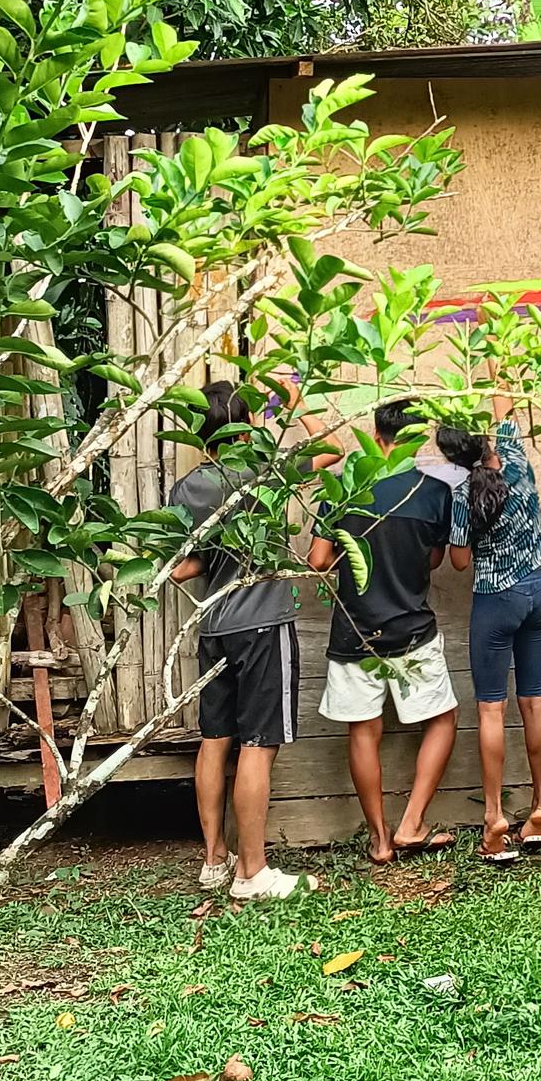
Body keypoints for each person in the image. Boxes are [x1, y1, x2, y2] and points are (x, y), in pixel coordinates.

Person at [171, 377, 336, 902]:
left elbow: (181, 569)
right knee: (259, 747)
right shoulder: (262, 469)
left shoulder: (188, 488)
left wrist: (218, 558)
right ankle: (253, 873)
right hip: (263, 623)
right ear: (246, 427)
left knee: (215, 742)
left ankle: (214, 861)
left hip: (215, 625)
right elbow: (331, 449)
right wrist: (294, 402)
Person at [306, 399, 461, 866]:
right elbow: (434, 560)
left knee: (363, 732)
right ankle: (413, 821)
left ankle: (379, 840)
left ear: (377, 438)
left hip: (354, 631)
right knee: (443, 719)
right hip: (413, 630)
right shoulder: (435, 494)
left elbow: (317, 562)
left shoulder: (345, 488)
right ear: (418, 441)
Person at [439, 389, 541, 864]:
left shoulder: (461, 494)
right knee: (536, 698)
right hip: (539, 592)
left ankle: (494, 818)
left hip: (496, 599)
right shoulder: (515, 456)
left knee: (492, 709)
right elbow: (506, 398)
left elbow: (461, 562)